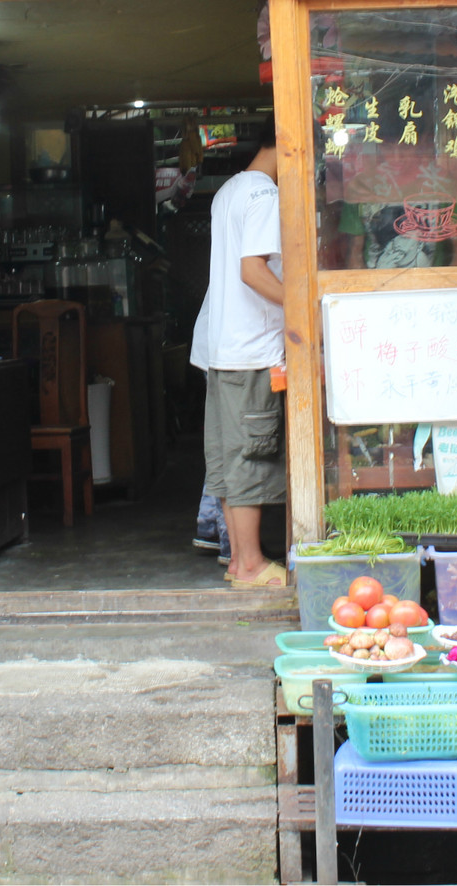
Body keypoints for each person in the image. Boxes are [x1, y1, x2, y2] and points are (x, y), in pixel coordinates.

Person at [188, 119, 288, 588]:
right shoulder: (265, 195)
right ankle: (250, 563)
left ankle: (238, 561)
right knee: (251, 455)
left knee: (229, 459)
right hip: (252, 351)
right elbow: (254, 271)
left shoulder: (229, 190)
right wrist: (302, 305)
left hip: (222, 350)